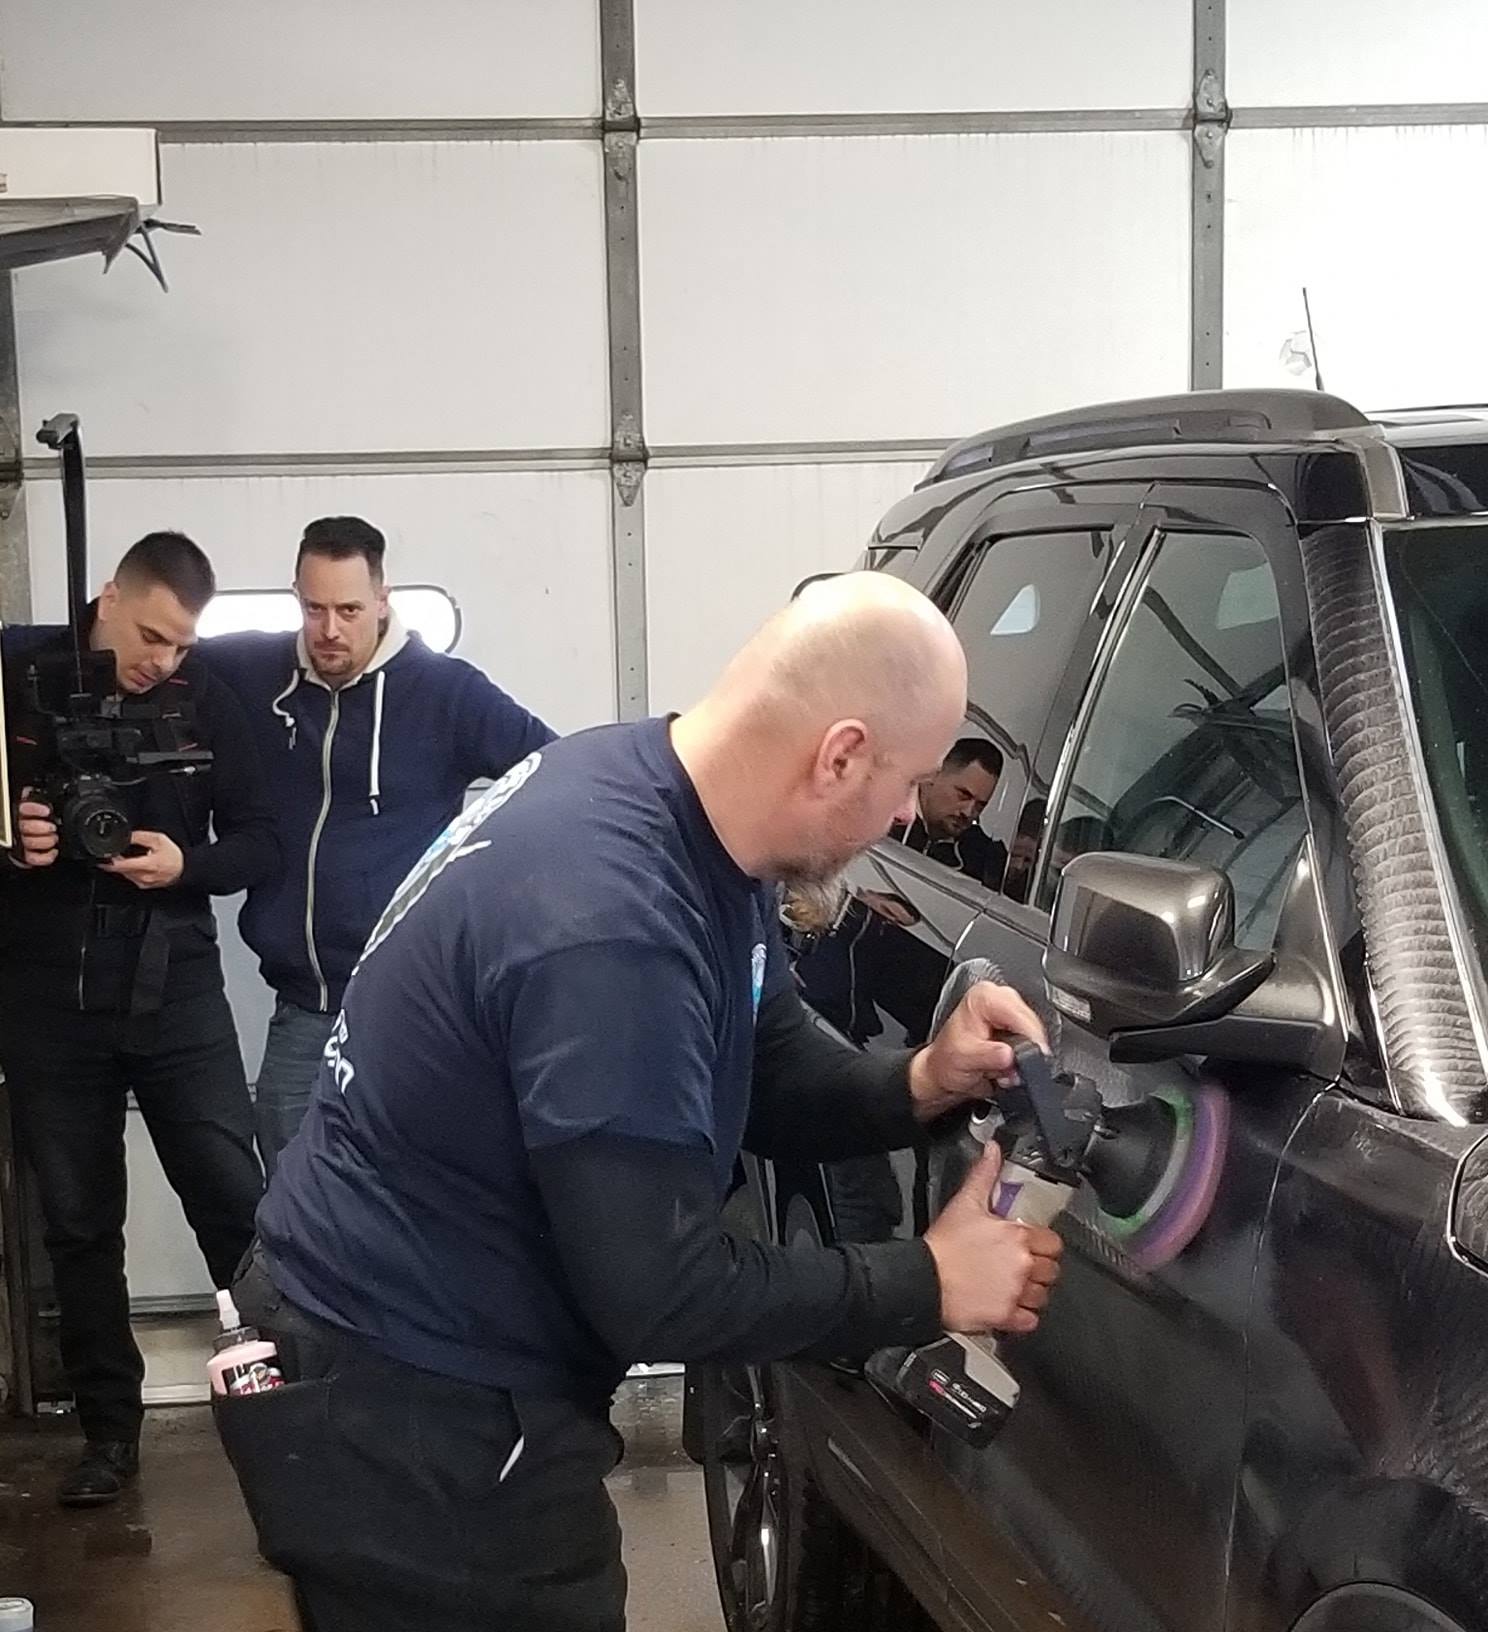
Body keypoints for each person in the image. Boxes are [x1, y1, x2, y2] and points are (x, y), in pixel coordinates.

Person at [216, 573, 1062, 1632]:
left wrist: (922, 1079)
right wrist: (928, 1278)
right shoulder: (614, 923)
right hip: (410, 1411)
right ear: (840, 753)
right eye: (909, 780)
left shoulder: (667, 801)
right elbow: (661, 1294)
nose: (906, 815)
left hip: (415, 1365)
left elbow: (764, 1059)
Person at [1, 533, 277, 1508]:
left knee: (235, 1203)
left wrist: (185, 865)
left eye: (181, 643)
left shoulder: (207, 699)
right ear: (109, 595)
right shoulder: (16, 684)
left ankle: (281, 1411)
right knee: (78, 1226)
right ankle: (109, 1435)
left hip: (176, 989)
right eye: (153, 635)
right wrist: (13, 840)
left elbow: (263, 839)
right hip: (46, 998)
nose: (164, 659)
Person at [204, 516, 553, 1170]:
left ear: (382, 600)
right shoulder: (250, 672)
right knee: (290, 1188)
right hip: (304, 1011)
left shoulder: (446, 692)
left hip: (411, 1010)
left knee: (416, 1187)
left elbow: (554, 777)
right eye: (314, 609)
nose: (330, 630)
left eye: (349, 610)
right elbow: (144, 655)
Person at [795, 736, 1007, 1049]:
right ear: (933, 775)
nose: (969, 812)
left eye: (980, 805)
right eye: (963, 795)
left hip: (901, 1029)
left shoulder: (982, 858)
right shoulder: (874, 810)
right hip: (825, 994)